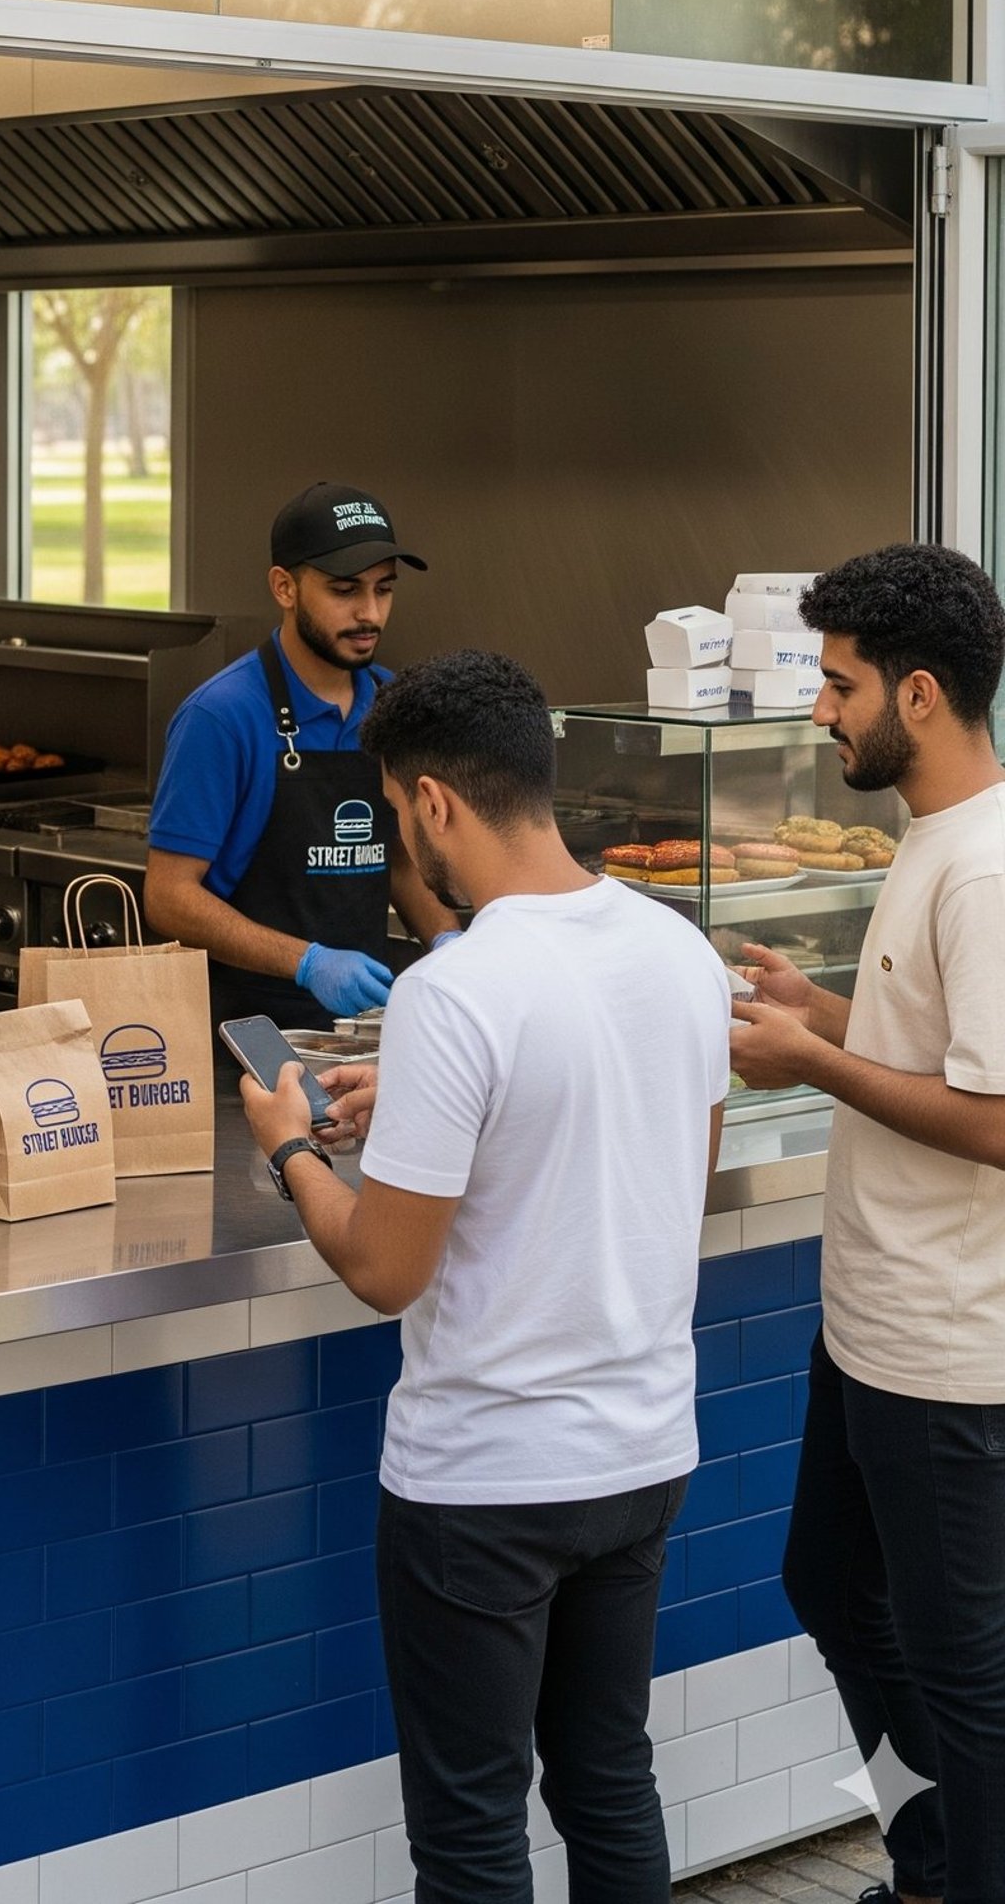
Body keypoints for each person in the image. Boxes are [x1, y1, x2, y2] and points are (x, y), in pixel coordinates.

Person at [241, 649, 730, 1904]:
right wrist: (428, 1101)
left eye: (403, 818)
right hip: (641, 1454)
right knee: (609, 1781)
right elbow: (657, 1168)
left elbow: (382, 1269)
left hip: (487, 1488)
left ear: (433, 804)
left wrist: (291, 1146)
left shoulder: (456, 991)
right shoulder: (679, 948)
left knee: (470, 1831)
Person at [730, 544, 1005, 1904]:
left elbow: (1002, 1117)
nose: (821, 711)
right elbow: (945, 1050)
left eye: (839, 685)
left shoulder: (987, 870)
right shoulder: (934, 841)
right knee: (831, 1585)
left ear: (922, 691)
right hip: (871, 1333)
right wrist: (826, 1011)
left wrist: (813, 1063)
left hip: (951, 1355)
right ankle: (932, 1856)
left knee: (969, 1675)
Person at [144, 483, 459, 1055]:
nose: (369, 613)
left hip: (361, 1036)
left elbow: (398, 860)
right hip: (242, 1040)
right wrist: (308, 962)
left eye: (383, 589)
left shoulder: (394, 705)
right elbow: (168, 896)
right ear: (284, 587)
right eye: (344, 590)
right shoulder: (221, 716)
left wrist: (448, 943)